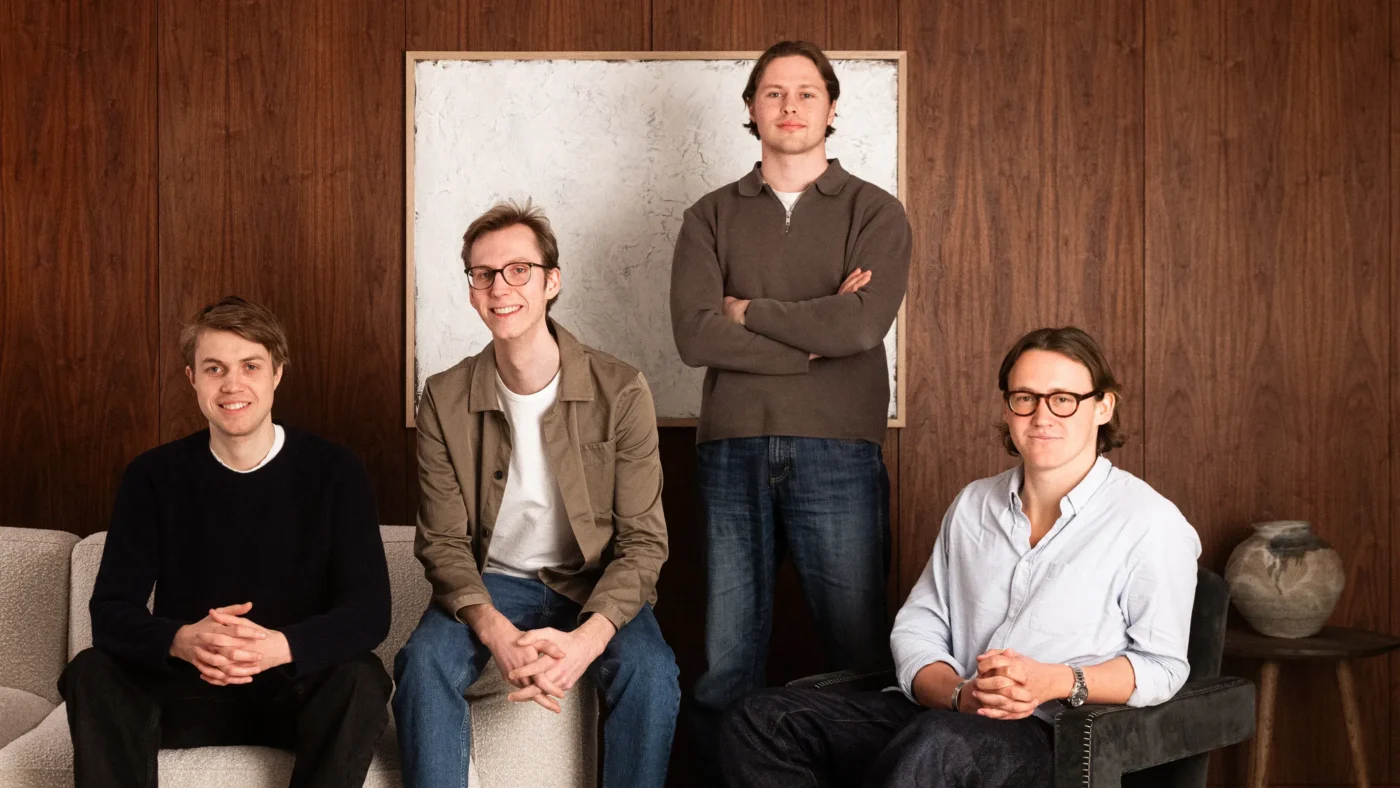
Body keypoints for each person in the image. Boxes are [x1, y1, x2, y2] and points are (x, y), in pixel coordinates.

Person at [720, 326, 1202, 788]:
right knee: (761, 720)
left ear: (1102, 407)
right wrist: (958, 694)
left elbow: (1162, 667)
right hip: (947, 716)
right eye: (1025, 398)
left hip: (1054, 736)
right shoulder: (974, 504)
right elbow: (919, 627)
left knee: (937, 746)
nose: (1042, 416)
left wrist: (1053, 681)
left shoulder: (1150, 522)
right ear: (1008, 409)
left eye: (1064, 399)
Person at [669, 39, 913, 771]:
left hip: (840, 451)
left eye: (807, 93)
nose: (790, 106)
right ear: (750, 109)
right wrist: (812, 337)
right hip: (729, 451)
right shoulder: (707, 216)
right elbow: (692, 333)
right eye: (774, 93)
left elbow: (862, 325)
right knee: (723, 663)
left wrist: (748, 314)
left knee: (860, 653)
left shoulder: (876, 211)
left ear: (832, 108)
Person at [393, 199, 680, 788]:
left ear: (552, 282)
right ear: (472, 289)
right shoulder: (443, 399)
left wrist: (585, 642)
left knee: (652, 675)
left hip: (593, 581)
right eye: (483, 274)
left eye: (519, 270)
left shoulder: (621, 390)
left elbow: (644, 544)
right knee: (422, 665)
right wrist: (498, 634)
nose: (501, 288)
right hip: (492, 581)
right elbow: (443, 544)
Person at [59, 295, 393, 788]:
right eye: (214, 368)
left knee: (362, 676)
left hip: (291, 692)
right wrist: (182, 640)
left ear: (276, 373)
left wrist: (280, 646)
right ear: (193, 379)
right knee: (92, 670)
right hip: (187, 691)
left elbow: (369, 612)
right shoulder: (153, 475)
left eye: (250, 366)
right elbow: (110, 610)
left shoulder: (335, 471)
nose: (232, 384)